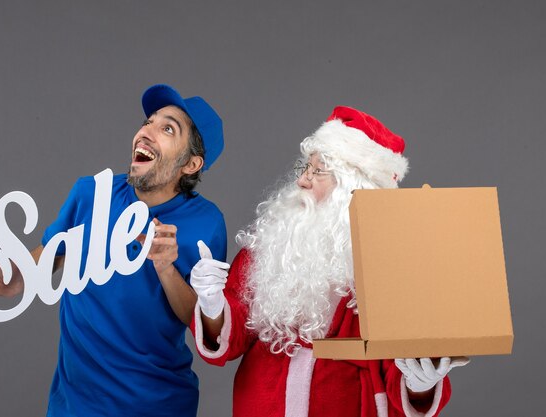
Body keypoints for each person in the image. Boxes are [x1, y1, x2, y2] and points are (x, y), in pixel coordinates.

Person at [0, 84, 227, 417]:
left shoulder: (206, 224)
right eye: (148, 121)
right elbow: (43, 265)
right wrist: (6, 281)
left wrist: (165, 268)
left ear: (190, 164)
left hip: (157, 403)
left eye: (167, 129)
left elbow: (209, 330)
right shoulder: (91, 195)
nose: (146, 132)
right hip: (75, 404)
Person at [190, 106, 468, 417]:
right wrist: (213, 305)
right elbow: (232, 335)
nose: (302, 181)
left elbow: (402, 374)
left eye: (318, 171)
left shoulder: (395, 267)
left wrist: (421, 382)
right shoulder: (272, 246)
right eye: (304, 168)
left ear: (353, 188)